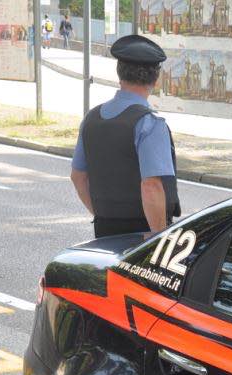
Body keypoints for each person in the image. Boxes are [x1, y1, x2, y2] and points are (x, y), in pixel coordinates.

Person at [70, 35, 181, 239]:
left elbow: (78, 177)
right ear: (155, 79)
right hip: (143, 233)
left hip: (103, 230)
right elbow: (151, 186)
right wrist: (158, 238)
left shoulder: (91, 118)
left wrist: (102, 215)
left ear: (119, 74)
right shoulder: (150, 124)